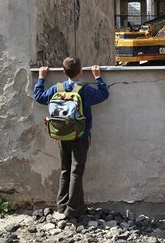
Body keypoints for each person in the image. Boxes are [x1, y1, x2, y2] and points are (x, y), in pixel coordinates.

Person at [34, 56, 109, 219]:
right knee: (77, 171)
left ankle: (62, 205)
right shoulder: (84, 89)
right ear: (81, 72)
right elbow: (104, 95)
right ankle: (72, 209)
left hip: (61, 134)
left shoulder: (56, 88)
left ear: (63, 72)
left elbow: (39, 97)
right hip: (80, 135)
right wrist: (98, 77)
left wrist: (41, 78)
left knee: (65, 170)